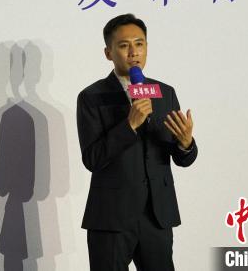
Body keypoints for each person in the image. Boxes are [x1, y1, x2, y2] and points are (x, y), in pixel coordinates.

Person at [76, 14, 197, 271]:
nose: (133, 52)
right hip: (111, 218)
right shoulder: (91, 97)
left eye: (139, 44)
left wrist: (186, 144)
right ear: (108, 53)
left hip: (156, 215)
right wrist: (129, 125)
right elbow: (92, 159)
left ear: (147, 48)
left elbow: (180, 157)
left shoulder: (165, 93)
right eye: (124, 46)